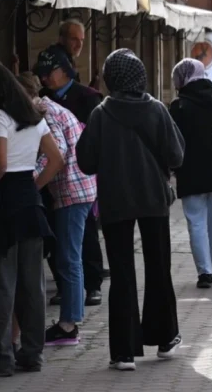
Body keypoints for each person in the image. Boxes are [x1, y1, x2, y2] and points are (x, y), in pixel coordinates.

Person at [76, 49, 184, 371]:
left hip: (116, 200)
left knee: (122, 273)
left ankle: (123, 352)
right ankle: (165, 337)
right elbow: (177, 155)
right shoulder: (157, 110)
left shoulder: (100, 114)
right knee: (159, 266)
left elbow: (86, 161)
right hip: (153, 198)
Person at [0, 62, 65, 376]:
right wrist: (33, 188)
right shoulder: (33, 117)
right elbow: (56, 159)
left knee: (0, 286)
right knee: (32, 287)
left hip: (4, 205)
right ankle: (32, 354)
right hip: (30, 205)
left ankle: (0, 358)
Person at [14, 73, 97, 348]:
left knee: (68, 258)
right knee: (69, 256)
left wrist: (32, 184)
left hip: (72, 191)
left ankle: (69, 325)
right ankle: (70, 321)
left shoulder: (45, 114)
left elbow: (55, 155)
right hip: (78, 188)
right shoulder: (50, 108)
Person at [33, 47, 106, 308]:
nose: (45, 79)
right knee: (59, 241)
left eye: (48, 72)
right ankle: (66, 289)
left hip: (79, 179)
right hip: (54, 182)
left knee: (84, 237)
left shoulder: (88, 98)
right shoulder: (44, 99)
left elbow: (95, 141)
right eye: (41, 74)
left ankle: (92, 285)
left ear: (64, 70)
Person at [169, 59, 212, 289]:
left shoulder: (179, 106)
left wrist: (172, 167)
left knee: (196, 221)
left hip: (190, 172)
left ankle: (204, 271)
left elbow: (173, 141)